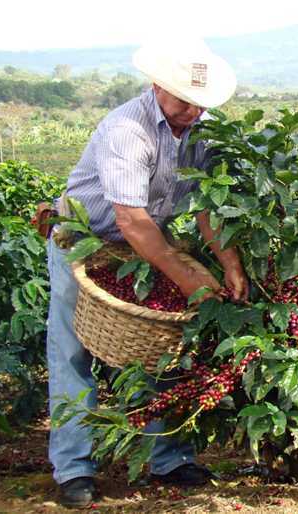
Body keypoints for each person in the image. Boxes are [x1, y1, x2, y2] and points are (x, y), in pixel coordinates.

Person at [46, 39, 248, 508]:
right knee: (72, 356)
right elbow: (130, 221)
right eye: (183, 101)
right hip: (83, 243)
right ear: (156, 86)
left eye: (200, 104)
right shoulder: (126, 130)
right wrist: (190, 280)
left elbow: (206, 204)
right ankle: (74, 469)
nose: (192, 112)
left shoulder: (203, 127)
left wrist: (230, 263)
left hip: (146, 248)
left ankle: (171, 459)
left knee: (165, 347)